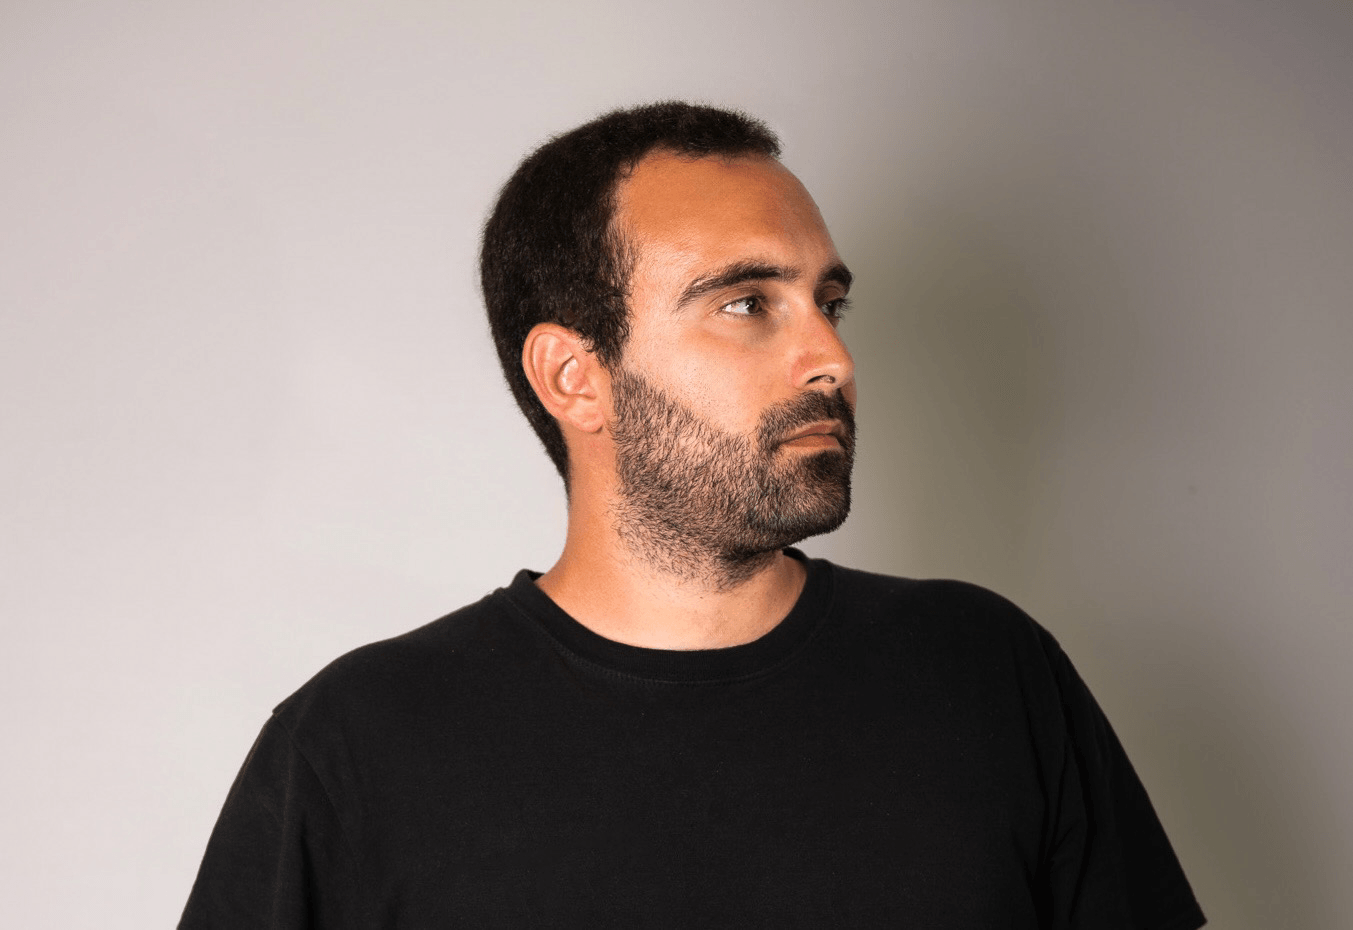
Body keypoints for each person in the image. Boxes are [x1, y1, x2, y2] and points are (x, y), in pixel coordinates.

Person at [180, 102, 1206, 929]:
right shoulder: (357, 747)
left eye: (828, 303)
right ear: (575, 377)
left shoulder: (987, 673)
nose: (831, 359)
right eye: (747, 304)